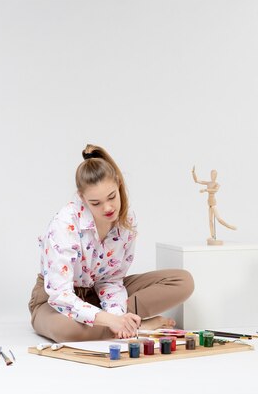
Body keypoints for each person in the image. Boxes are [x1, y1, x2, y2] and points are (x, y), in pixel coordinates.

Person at [29, 144, 194, 342]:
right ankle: (139, 326)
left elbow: (112, 280)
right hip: (56, 301)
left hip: (101, 295)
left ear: (118, 185)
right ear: (82, 198)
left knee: (182, 281)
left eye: (112, 197)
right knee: (67, 331)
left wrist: (116, 316)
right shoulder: (64, 223)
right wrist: (111, 320)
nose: (108, 208)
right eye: (96, 203)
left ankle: (121, 323)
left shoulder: (127, 220)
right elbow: (60, 295)